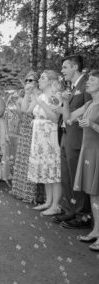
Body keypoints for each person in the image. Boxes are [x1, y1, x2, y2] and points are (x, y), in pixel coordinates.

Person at [53, 55, 92, 229]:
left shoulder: (87, 84)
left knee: (77, 174)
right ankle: (69, 209)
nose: (62, 71)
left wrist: (68, 113)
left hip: (77, 135)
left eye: (65, 67)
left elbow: (89, 107)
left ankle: (82, 214)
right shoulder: (72, 86)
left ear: (75, 67)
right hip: (65, 133)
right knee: (66, 174)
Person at [27, 70, 62, 216]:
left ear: (50, 81)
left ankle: (56, 205)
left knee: (53, 170)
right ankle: (48, 202)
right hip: (38, 136)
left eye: (42, 78)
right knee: (45, 169)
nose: (39, 80)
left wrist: (41, 103)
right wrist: (30, 95)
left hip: (50, 136)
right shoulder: (40, 95)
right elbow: (27, 110)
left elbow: (54, 118)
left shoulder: (55, 96)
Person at [73, 70, 99, 251]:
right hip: (88, 152)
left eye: (92, 79)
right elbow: (69, 116)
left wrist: (92, 124)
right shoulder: (90, 103)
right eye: (88, 79)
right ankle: (96, 230)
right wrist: (65, 102)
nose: (88, 82)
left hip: (98, 152)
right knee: (92, 193)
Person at [10, 72, 40, 203]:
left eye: (31, 80)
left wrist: (28, 97)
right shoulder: (28, 95)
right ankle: (19, 190)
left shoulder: (39, 96)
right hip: (25, 129)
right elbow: (23, 112)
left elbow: (27, 111)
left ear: (37, 82)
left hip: (35, 131)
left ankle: (30, 194)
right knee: (22, 160)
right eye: (27, 80)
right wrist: (26, 95)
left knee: (30, 161)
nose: (28, 82)